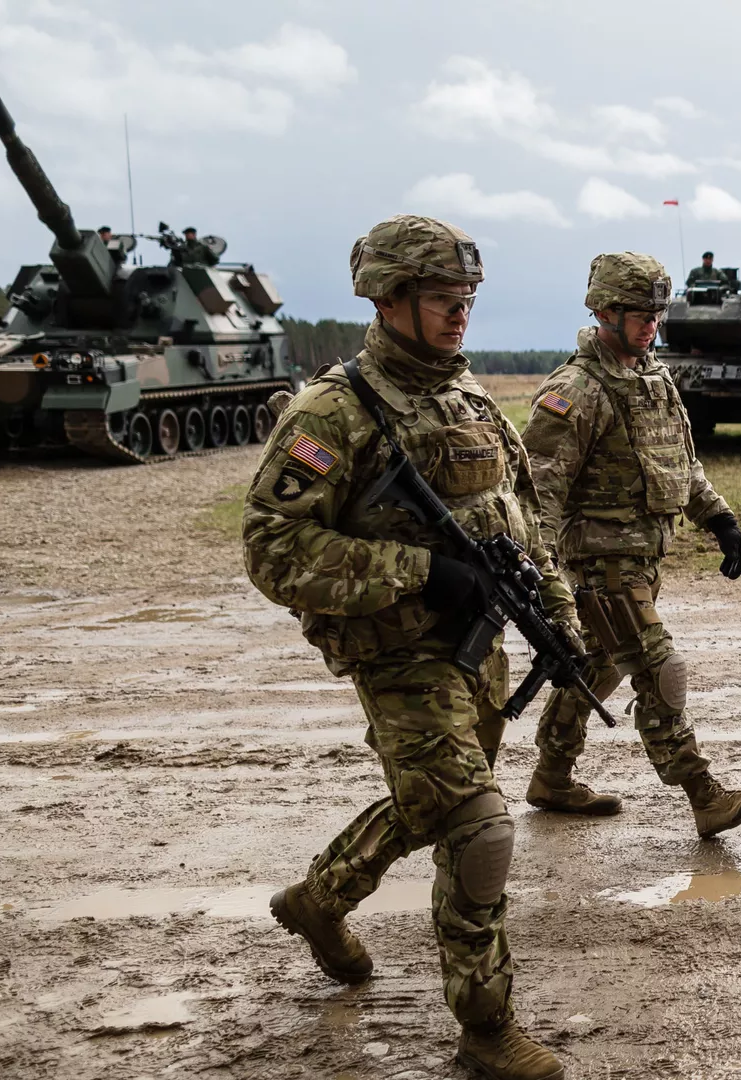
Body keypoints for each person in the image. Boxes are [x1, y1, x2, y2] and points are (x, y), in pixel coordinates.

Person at [242, 214, 568, 1080]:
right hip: (397, 654)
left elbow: (522, 526)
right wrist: (419, 570)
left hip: (477, 648)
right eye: (441, 297)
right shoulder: (332, 412)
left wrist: (557, 612)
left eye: (467, 296)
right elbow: (272, 549)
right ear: (387, 300)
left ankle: (319, 899)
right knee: (479, 827)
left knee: (433, 801)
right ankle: (487, 1028)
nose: (461, 312)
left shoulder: (469, 402)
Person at [520, 252, 741, 839]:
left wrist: (719, 517)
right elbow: (537, 491)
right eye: (639, 315)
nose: (651, 325)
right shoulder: (577, 389)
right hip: (601, 562)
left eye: (657, 314)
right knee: (660, 668)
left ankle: (551, 777)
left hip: (644, 555)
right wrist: (542, 570)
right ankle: (704, 794)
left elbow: (680, 463)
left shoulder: (652, 377)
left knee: (596, 665)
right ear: (604, 312)